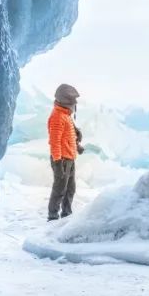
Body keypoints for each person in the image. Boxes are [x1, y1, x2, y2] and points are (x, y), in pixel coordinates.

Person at [47, 83, 84, 220]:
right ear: (65, 102)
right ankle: (53, 217)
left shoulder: (65, 115)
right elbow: (55, 142)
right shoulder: (57, 116)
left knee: (70, 188)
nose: (74, 104)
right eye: (72, 101)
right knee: (59, 190)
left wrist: (76, 145)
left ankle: (67, 214)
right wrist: (57, 163)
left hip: (69, 158)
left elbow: (67, 136)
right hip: (61, 159)